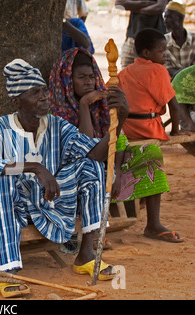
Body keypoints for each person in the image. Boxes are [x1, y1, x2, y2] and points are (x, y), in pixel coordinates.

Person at [0, 59, 129, 287]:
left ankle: (86, 256)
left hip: (48, 204)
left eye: (44, 91)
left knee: (90, 166)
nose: (44, 97)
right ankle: (8, 270)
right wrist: (35, 167)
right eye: (35, 93)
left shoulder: (56, 125)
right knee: (1, 181)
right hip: (7, 209)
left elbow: (96, 154)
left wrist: (119, 120)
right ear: (16, 101)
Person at [50, 47, 184, 244]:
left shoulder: (101, 102)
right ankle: (91, 231)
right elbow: (84, 148)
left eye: (91, 77)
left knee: (150, 152)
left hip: (107, 162)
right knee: (91, 168)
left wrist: (117, 170)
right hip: (75, 169)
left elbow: (118, 136)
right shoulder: (58, 109)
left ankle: (153, 224)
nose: (88, 82)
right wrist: (84, 106)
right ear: (68, 79)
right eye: (81, 77)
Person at [118, 28, 194, 138]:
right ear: (146, 53)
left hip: (126, 128)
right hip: (147, 129)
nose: (165, 54)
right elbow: (173, 104)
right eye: (161, 51)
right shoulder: (158, 70)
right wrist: (175, 130)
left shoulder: (125, 71)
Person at [115, 0, 168, 69]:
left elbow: (159, 7)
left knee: (155, 73)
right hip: (133, 39)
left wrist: (135, 8)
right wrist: (145, 3)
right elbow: (119, 3)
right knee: (127, 72)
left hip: (155, 43)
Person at [164, 1, 195, 79]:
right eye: (165, 17)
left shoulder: (194, 39)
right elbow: (167, 67)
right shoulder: (163, 41)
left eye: (169, 17)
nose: (165, 20)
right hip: (173, 83)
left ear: (180, 18)